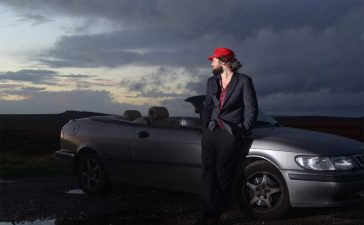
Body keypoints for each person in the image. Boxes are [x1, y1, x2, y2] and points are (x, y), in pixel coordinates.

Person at [195, 47, 259, 225]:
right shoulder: (211, 82)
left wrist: (242, 129)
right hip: (211, 132)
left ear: (223, 61)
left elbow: (251, 108)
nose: (211, 63)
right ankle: (205, 214)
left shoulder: (244, 81)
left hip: (230, 134)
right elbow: (207, 106)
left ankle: (215, 215)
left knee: (223, 176)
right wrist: (205, 127)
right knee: (207, 174)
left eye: (213, 60)